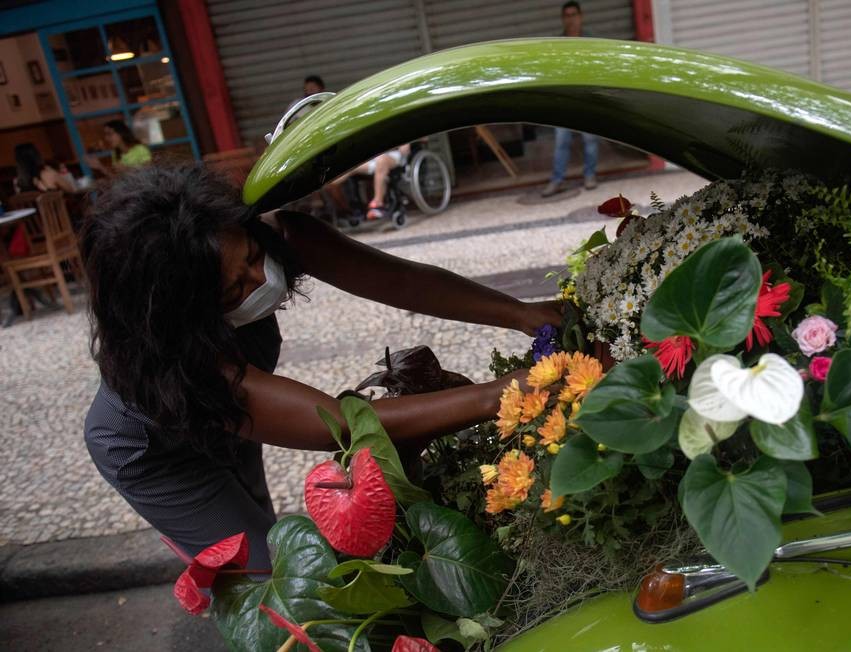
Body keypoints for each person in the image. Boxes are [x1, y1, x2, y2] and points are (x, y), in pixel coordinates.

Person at [81, 165, 561, 566]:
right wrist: (502, 393)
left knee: (264, 525)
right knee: (268, 578)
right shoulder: (179, 360)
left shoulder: (275, 236)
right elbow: (339, 424)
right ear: (188, 313)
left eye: (252, 257)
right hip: (155, 449)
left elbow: (400, 281)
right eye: (233, 292)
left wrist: (520, 314)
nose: (259, 278)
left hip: (231, 417)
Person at [541, 1, 598, 197]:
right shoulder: (559, 44)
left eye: (574, 14)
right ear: (562, 19)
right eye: (567, 15)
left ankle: (590, 175)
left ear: (580, 16)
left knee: (590, 140)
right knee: (561, 141)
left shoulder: (591, 41)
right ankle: (557, 180)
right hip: (565, 101)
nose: (571, 19)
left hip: (586, 98)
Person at [85, 120, 151, 177]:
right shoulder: (115, 153)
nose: (106, 138)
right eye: (105, 135)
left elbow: (150, 172)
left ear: (121, 133)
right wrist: (100, 167)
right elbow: (116, 179)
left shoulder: (140, 149)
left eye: (109, 134)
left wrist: (127, 169)